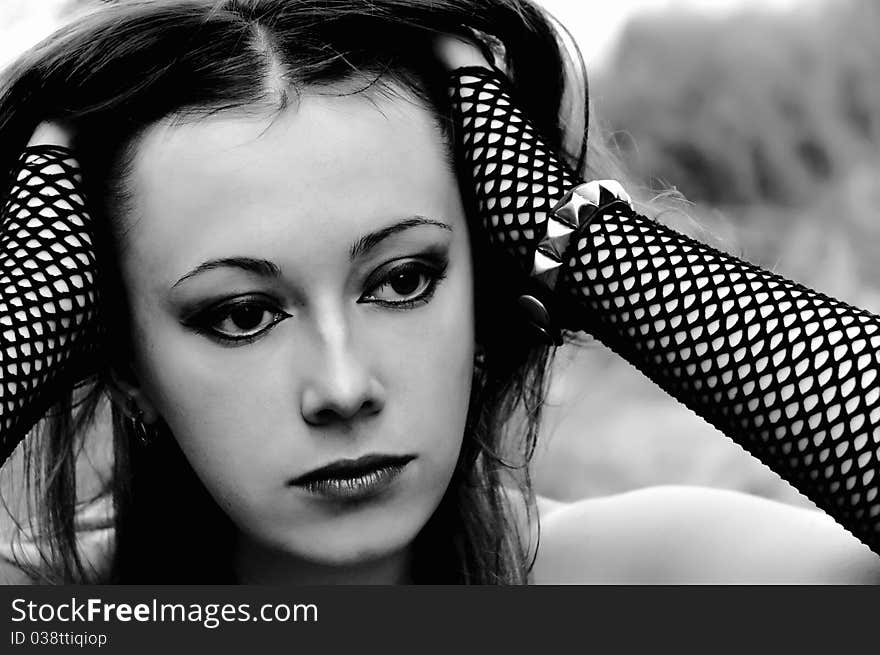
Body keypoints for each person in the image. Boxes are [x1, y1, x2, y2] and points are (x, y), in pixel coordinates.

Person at [0, 0, 878, 584]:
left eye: (403, 280)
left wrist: (575, 241)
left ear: (484, 283)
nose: (344, 389)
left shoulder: (634, 580)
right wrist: (24, 307)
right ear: (122, 354)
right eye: (241, 313)